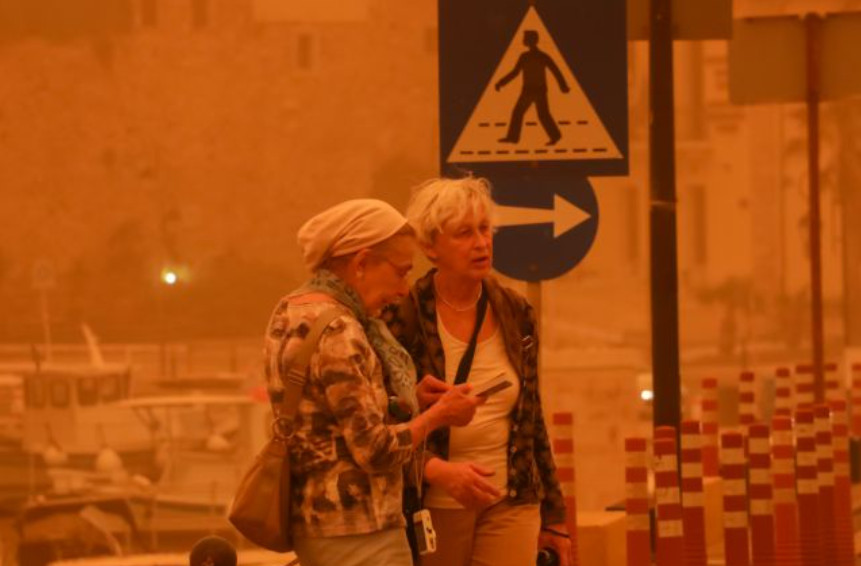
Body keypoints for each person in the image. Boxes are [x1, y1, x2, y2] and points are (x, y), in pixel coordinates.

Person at [264, 199, 483, 566]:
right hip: (362, 532)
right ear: (361, 263)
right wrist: (439, 416)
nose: (404, 290)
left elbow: (323, 416)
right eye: (401, 272)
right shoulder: (340, 330)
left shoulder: (289, 311)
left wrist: (408, 399)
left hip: (314, 527)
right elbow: (375, 450)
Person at [385, 177, 573, 566]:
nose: (481, 243)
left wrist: (554, 517)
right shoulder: (403, 316)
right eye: (463, 233)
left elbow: (533, 417)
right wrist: (437, 471)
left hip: (511, 499)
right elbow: (381, 423)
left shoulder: (515, 312)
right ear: (430, 247)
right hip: (433, 504)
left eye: (485, 229)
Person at [495, 29, 569, 146]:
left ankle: (514, 138)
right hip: (533, 90)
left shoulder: (537, 56)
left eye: (525, 38)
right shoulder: (528, 56)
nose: (523, 40)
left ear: (530, 40)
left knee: (525, 113)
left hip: (533, 90)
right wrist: (501, 82)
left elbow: (555, 71)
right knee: (539, 114)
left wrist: (563, 86)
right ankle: (555, 136)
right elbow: (515, 72)